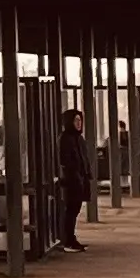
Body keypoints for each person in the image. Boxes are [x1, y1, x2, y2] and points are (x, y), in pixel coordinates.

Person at [55, 107, 95, 253]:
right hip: (71, 182)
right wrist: (74, 177)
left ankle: (71, 239)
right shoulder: (65, 139)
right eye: (76, 120)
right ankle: (68, 240)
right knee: (70, 211)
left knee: (74, 210)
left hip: (79, 180)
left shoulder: (78, 138)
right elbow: (66, 162)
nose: (79, 123)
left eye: (80, 120)